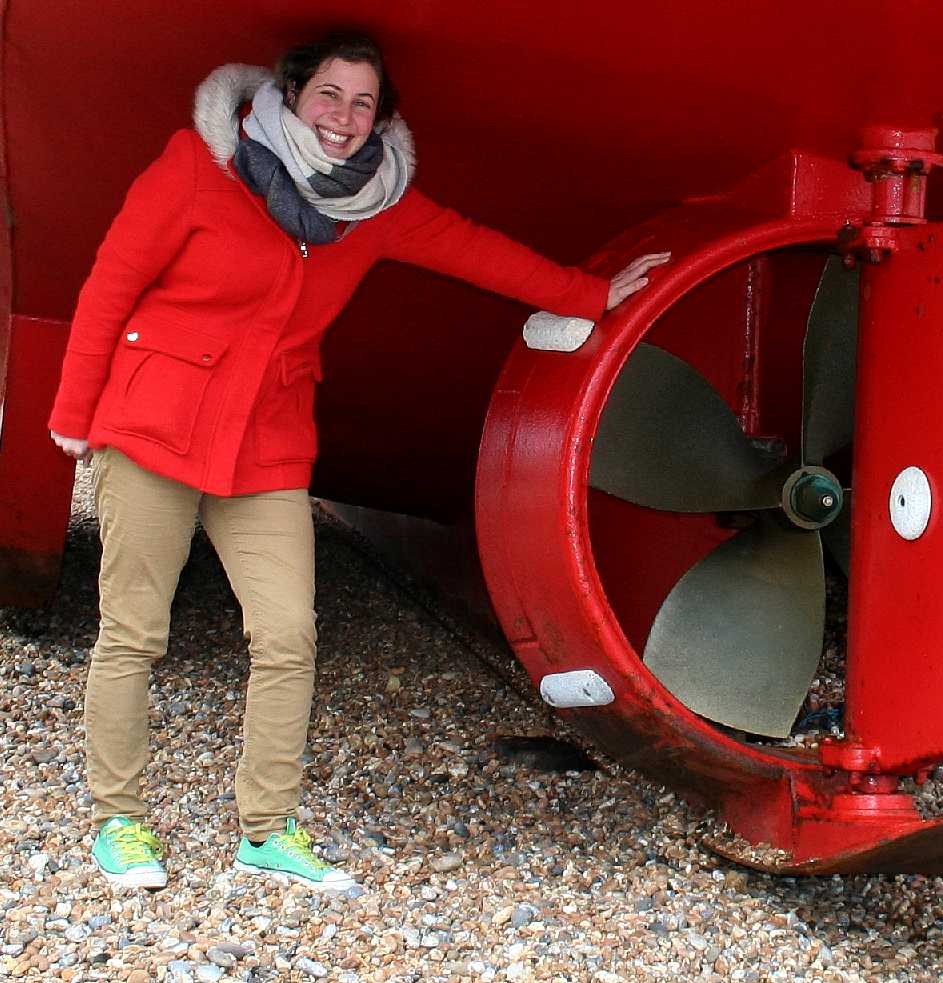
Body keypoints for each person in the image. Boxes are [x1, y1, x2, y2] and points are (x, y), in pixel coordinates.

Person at [46, 31, 669, 894]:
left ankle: (265, 828)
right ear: (291, 93)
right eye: (329, 95)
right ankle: (118, 818)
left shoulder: (378, 203)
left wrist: (592, 294)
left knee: (288, 634)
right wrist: (73, 415)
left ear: (382, 118)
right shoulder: (198, 165)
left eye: (363, 103)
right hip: (153, 428)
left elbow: (477, 250)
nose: (342, 119)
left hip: (265, 442)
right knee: (134, 631)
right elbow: (110, 286)